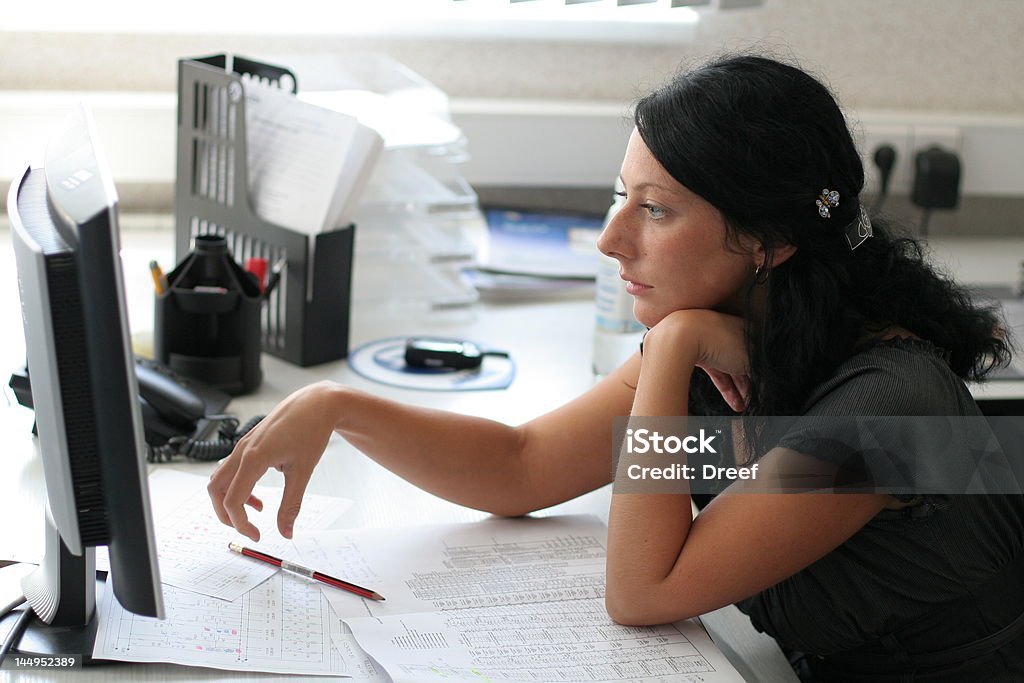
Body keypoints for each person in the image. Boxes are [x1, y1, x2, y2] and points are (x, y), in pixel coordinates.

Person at [208, 55, 1024, 681]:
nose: (610, 239)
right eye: (619, 195)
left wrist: (669, 354)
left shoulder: (885, 415)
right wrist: (338, 406)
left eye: (656, 210)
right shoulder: (740, 332)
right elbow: (520, 465)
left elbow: (644, 591)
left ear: (770, 241)